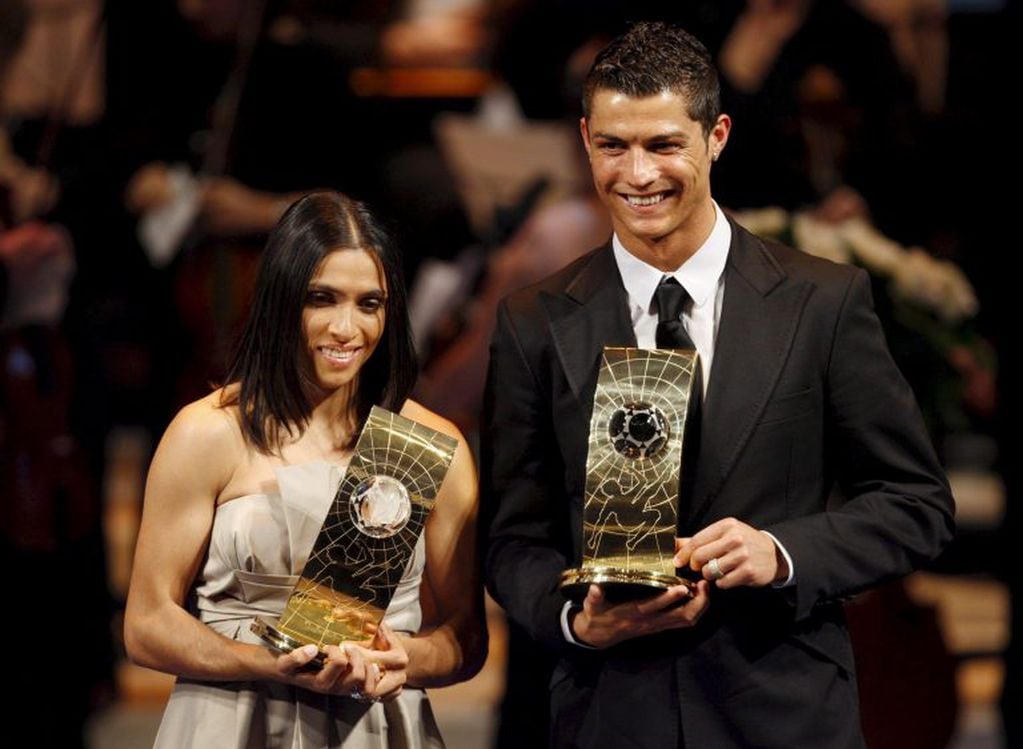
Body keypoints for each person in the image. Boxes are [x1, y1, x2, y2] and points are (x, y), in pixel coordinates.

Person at [482, 21, 954, 748]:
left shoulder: (820, 301)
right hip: (610, 715)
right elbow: (513, 536)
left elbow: (914, 504)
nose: (637, 175)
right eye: (613, 146)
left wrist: (783, 551)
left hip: (782, 711)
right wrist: (576, 617)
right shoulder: (532, 321)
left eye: (663, 145)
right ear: (584, 140)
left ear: (717, 136)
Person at [125, 192, 486, 747]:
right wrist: (263, 662)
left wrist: (400, 658)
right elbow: (146, 625)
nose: (348, 328)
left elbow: (466, 638)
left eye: (370, 304)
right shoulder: (207, 433)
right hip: (231, 721)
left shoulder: (431, 444)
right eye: (323, 299)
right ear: (281, 299)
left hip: (376, 725)